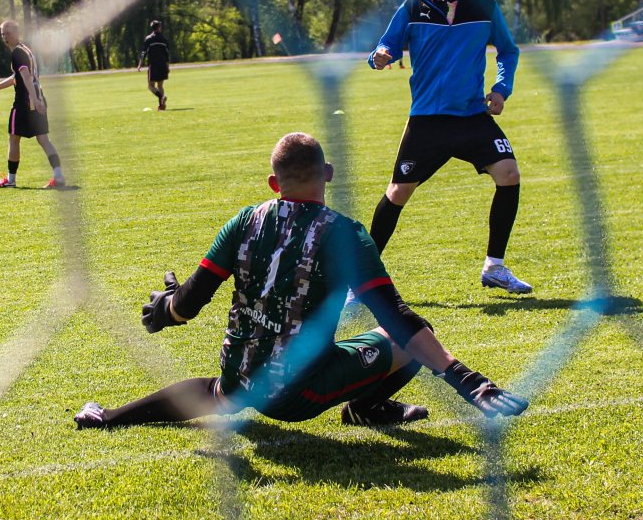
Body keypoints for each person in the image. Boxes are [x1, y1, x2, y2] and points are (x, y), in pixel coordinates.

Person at [74, 132, 527, 429]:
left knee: (219, 390)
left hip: (242, 380)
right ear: (327, 174)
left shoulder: (244, 221)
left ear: (274, 183)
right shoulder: (345, 235)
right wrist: (467, 380)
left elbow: (188, 303)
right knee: (412, 331)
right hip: (300, 393)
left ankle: (109, 417)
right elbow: (399, 318)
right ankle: (365, 408)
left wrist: (165, 308)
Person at [366, 0, 531, 295]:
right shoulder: (414, 6)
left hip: (472, 116)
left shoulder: (485, 9)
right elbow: (388, 43)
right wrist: (381, 54)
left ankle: (495, 267)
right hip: (427, 120)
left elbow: (508, 50)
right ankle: (362, 282)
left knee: (509, 173)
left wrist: (502, 90)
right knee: (397, 193)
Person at [0, 19, 64, 189]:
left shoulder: (17, 53)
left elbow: (25, 77)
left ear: (17, 33)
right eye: (3, 34)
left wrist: (34, 100)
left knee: (14, 138)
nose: (5, 37)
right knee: (44, 139)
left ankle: (11, 180)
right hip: (37, 99)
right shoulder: (25, 50)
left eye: (8, 33)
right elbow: (17, 77)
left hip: (24, 104)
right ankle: (59, 177)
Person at [140, 19, 171, 110]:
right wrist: (167, 66)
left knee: (151, 86)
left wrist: (140, 63)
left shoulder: (149, 39)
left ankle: (161, 97)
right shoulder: (164, 39)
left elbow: (143, 52)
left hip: (153, 65)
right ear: (159, 27)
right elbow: (167, 54)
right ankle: (162, 106)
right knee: (160, 85)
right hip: (162, 65)